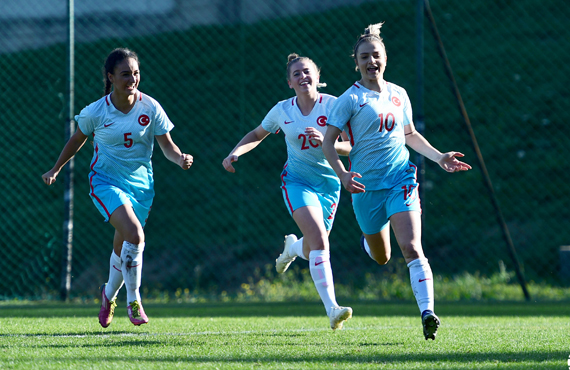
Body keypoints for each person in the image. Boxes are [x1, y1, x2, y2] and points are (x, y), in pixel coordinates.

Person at [322, 23, 472, 340]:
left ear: (385, 58)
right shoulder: (349, 99)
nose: (371, 61)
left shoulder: (398, 94)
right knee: (382, 256)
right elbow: (327, 142)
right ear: (356, 62)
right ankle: (369, 240)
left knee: (412, 247)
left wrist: (439, 156)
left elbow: (410, 135)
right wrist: (343, 174)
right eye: (364, 57)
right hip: (365, 188)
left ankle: (428, 313)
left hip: (400, 179)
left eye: (376, 55)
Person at [42, 48, 193, 327]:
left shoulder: (151, 107)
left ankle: (108, 294)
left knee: (123, 246)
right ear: (111, 77)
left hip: (141, 187)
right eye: (125, 74)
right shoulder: (96, 111)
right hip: (105, 182)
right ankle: (134, 300)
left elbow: (168, 147)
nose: (132, 79)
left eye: (135, 73)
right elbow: (77, 140)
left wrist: (180, 158)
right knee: (135, 235)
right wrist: (56, 168)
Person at [222, 53, 353, 330]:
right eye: (297, 74)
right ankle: (333, 310)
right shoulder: (283, 110)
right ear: (289, 82)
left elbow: (350, 146)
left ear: (318, 77)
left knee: (312, 244)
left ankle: (292, 248)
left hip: (330, 185)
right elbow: (257, 134)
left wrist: (328, 142)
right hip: (296, 181)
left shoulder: (334, 105)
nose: (303, 77)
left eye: (307, 72)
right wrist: (235, 153)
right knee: (319, 241)